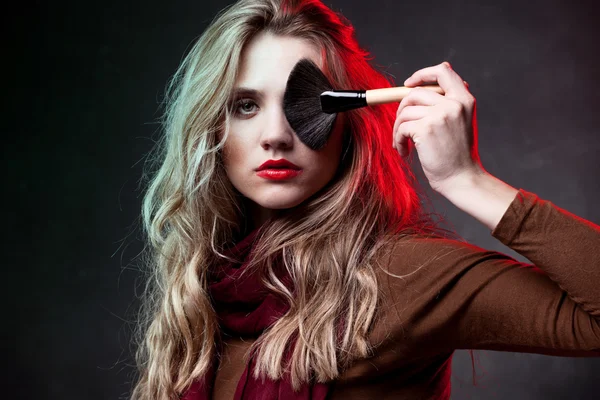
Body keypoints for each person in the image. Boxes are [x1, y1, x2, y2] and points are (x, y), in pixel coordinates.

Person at [130, 0, 600, 399]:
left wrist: (466, 180)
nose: (276, 135)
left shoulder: (400, 275)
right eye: (246, 106)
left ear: (349, 125)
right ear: (210, 126)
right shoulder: (204, 288)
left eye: (306, 105)